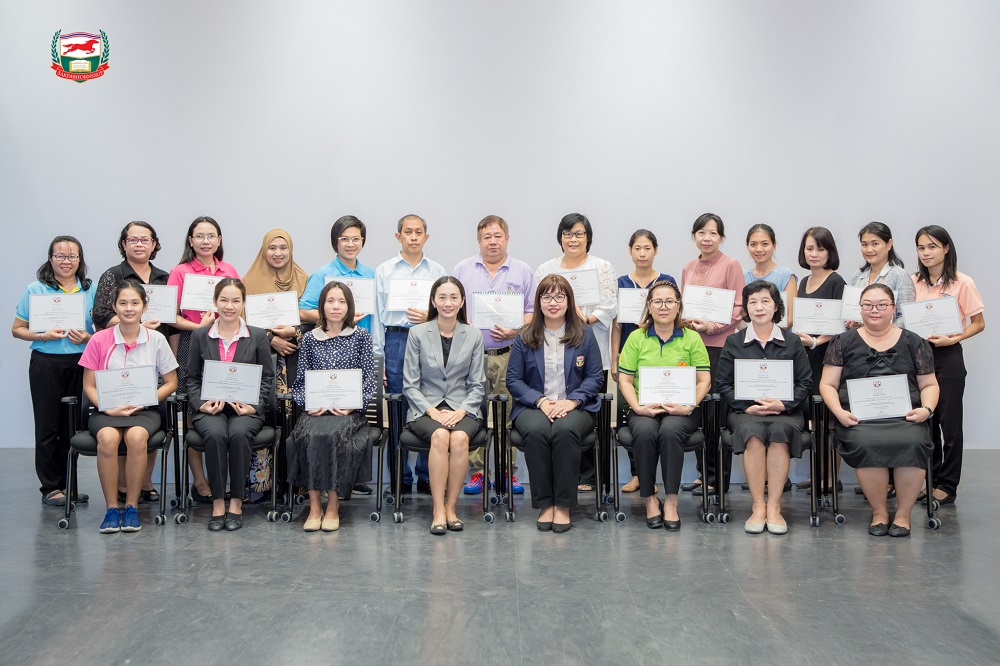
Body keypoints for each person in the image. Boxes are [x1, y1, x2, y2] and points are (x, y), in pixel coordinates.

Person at [819, 284, 939, 537]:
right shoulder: (842, 342)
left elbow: (929, 384)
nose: (875, 310)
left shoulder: (914, 342)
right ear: (860, 308)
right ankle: (879, 513)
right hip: (859, 418)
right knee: (866, 442)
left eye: (882, 305)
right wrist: (839, 412)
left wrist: (926, 410)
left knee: (913, 441)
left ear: (893, 308)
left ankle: (903, 515)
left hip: (906, 418)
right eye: (868, 305)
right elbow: (827, 384)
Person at [507, 275, 604, 533]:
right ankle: (545, 503)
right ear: (538, 302)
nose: (553, 302)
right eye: (547, 296)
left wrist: (572, 401)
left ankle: (563, 504)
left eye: (559, 296)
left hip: (576, 406)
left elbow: (595, 377)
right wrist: (540, 401)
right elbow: (513, 380)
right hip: (533, 407)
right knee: (537, 430)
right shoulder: (525, 335)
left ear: (569, 301)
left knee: (564, 430)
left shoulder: (584, 334)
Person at [79, 281, 178, 533]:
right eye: (122, 303)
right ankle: (112, 509)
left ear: (144, 306)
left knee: (136, 437)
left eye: (135, 303)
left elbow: (172, 382)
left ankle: (132, 507)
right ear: (114, 307)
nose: (129, 308)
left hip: (144, 410)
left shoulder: (156, 339)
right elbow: (89, 385)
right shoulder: (99, 339)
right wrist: (107, 408)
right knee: (107, 438)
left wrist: (147, 399)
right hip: (106, 410)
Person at [717, 281, 812, 534]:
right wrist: (746, 406)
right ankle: (758, 506)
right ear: (746, 309)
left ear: (776, 306)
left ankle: (774, 506)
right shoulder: (734, 341)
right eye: (753, 302)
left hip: (785, 412)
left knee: (780, 433)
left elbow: (805, 382)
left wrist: (784, 404)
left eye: (765, 301)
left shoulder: (791, 341)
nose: (759, 307)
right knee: (753, 434)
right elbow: (723, 383)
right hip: (746, 412)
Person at [617, 282, 710, 530]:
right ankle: (649, 499)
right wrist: (637, 407)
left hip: (682, 409)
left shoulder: (692, 338)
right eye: (657, 301)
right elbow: (625, 380)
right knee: (645, 432)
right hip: (644, 408)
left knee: (670, 431)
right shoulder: (636, 338)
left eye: (670, 301)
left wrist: (688, 406)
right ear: (649, 306)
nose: (664, 306)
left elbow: (704, 380)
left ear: (678, 306)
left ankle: (671, 500)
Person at [452, 214, 534, 496]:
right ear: (479, 241)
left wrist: (516, 329)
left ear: (507, 239)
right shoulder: (462, 269)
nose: (493, 241)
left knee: (507, 415)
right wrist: (464, 324)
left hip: (509, 354)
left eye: (498, 236)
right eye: (487, 237)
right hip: (471, 355)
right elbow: (452, 306)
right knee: (473, 414)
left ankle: (506, 471)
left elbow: (532, 311)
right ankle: (477, 473)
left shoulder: (522, 271)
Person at [91, 221, 172, 506]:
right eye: (133, 239)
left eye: (145, 239)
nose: (139, 244)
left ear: (154, 244)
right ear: (124, 243)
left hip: (153, 356)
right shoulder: (113, 275)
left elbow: (171, 323)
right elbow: (100, 315)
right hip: (120, 356)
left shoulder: (164, 277)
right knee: (114, 436)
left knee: (143, 429)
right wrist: (135, 323)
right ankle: (121, 489)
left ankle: (144, 484)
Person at [534, 213, 616, 492]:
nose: (573, 239)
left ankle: (590, 476)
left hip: (591, 349)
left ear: (588, 238)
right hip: (550, 352)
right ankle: (559, 475)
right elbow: (538, 304)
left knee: (585, 411)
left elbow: (611, 305)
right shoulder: (546, 268)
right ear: (560, 237)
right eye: (568, 234)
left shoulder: (602, 267)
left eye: (579, 234)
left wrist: (585, 321)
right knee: (555, 412)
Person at [13, 236, 96, 507]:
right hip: (46, 363)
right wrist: (43, 335)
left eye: (72, 256)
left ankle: (69, 485)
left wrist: (88, 338)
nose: (66, 261)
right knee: (48, 425)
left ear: (80, 260)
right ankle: (50, 487)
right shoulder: (35, 289)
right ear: (51, 259)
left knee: (72, 426)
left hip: (80, 363)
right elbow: (17, 329)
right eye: (60, 255)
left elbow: (102, 328)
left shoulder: (90, 289)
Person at [187, 278, 274, 532]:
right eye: (224, 300)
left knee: (238, 433)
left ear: (244, 303)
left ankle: (236, 502)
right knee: (214, 435)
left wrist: (255, 405)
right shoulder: (200, 335)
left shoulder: (257, 335)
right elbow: (191, 378)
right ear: (215, 302)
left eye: (236, 300)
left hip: (245, 409)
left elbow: (267, 377)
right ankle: (217, 503)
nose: (229, 306)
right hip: (210, 408)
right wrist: (201, 404)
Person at [289, 281, 377, 532]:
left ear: (349, 307)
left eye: (341, 301)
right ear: (322, 305)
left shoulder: (361, 336)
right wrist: (308, 404)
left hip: (348, 413)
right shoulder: (309, 339)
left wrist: (352, 406)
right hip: (316, 412)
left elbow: (369, 381)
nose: (336, 306)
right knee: (310, 434)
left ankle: (333, 506)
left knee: (334, 435)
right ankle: (315, 506)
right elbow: (300, 382)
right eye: (330, 301)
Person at [402, 277, 485, 535]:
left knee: (459, 438)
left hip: (463, 407)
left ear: (462, 302)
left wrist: (461, 411)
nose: (448, 303)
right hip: (425, 407)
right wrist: (432, 411)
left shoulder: (474, 335)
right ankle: (438, 510)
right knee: (440, 435)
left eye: (453, 297)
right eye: (442, 297)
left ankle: (451, 508)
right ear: (433, 301)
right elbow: (410, 385)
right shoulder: (417, 333)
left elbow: (478, 384)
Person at [168, 216, 241, 504]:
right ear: (191, 240)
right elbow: (170, 316)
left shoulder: (229, 270)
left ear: (219, 240)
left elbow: (239, 307)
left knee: (225, 400)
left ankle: (223, 478)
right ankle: (199, 480)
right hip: (192, 341)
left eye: (211, 236)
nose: (206, 241)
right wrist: (198, 327)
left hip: (226, 342)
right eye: (199, 236)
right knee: (192, 408)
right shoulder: (180, 271)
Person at [373, 214, 447, 495]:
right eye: (408, 232)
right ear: (398, 236)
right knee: (398, 408)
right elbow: (377, 315)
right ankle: (400, 478)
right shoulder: (384, 270)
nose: (413, 237)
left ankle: (427, 475)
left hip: (430, 339)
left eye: (418, 232)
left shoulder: (437, 270)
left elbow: (447, 309)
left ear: (426, 237)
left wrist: (430, 317)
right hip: (395, 340)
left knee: (431, 404)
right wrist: (379, 359)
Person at [911, 226, 985, 505]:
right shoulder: (914, 281)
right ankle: (931, 479)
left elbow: (979, 323)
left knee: (949, 424)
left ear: (945, 248)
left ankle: (948, 484)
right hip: (919, 357)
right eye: (921, 247)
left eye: (932, 246)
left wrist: (954, 337)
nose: (926, 253)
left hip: (948, 355)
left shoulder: (962, 282)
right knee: (925, 423)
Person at [680, 213, 745, 497]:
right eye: (702, 233)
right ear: (694, 236)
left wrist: (712, 326)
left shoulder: (731, 264)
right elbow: (683, 306)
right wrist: (686, 321)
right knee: (697, 408)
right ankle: (702, 474)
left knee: (717, 411)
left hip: (720, 346)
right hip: (693, 346)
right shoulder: (688, 267)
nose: (707, 238)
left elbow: (739, 307)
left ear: (721, 237)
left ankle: (718, 478)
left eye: (713, 233)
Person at [243, 228, 310, 502]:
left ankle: (298, 485)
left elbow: (315, 322)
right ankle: (263, 486)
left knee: (296, 419)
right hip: (262, 363)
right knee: (265, 418)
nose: (278, 253)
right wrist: (271, 339)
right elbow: (240, 324)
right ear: (264, 250)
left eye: (283, 248)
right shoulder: (248, 282)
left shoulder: (304, 280)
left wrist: (294, 332)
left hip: (296, 361)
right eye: (272, 247)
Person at [610, 229, 676, 495]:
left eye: (647, 248)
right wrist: (615, 359)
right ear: (630, 251)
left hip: (660, 359)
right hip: (631, 358)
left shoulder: (667, 281)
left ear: (655, 251)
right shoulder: (621, 282)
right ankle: (637, 475)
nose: (642, 253)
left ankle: (655, 477)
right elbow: (616, 325)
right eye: (637, 248)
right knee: (632, 416)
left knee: (660, 416)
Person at [793, 227, 847, 491]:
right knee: (814, 419)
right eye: (809, 248)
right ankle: (818, 475)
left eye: (820, 248)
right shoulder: (803, 282)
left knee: (828, 420)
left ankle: (831, 479)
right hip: (807, 357)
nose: (814, 254)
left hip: (828, 356)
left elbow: (841, 324)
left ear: (830, 252)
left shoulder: (836, 281)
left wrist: (816, 341)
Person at [299, 215, 375, 333]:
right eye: (344, 239)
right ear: (335, 241)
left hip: (365, 340)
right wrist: (337, 317)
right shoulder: (322, 274)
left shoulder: (371, 274)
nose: (350, 244)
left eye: (356, 239)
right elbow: (303, 312)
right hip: (332, 341)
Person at [848, 221, 914, 326]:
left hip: (888, 336)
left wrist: (885, 332)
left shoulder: (899, 275)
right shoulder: (858, 275)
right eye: (864, 244)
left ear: (889, 244)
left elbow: (906, 316)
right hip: (859, 335)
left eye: (875, 244)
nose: (869, 250)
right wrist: (850, 322)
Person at [744, 223, 797, 327]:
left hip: (780, 335)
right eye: (753, 244)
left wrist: (766, 335)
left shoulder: (786, 275)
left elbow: (790, 318)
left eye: (765, 244)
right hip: (749, 335)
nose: (759, 249)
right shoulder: (743, 276)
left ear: (774, 246)